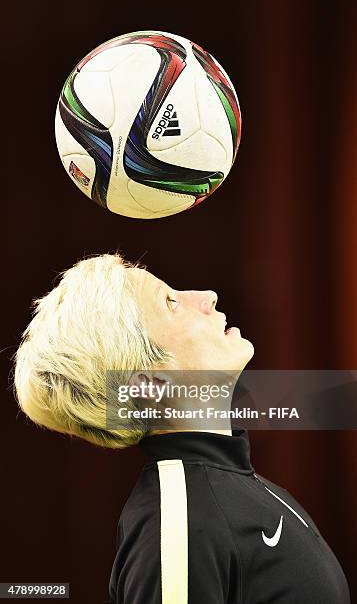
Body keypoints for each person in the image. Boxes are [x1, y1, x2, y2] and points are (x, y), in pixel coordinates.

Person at [14, 253, 351, 603]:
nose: (207, 295)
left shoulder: (237, 485)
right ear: (150, 384)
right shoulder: (178, 526)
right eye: (171, 302)